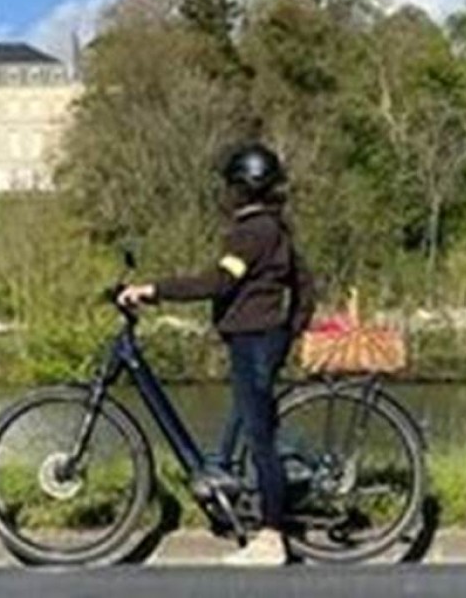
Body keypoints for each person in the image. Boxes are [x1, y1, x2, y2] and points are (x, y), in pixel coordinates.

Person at [117, 142, 317, 567]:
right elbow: (306, 284)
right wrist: (291, 330)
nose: (226, 196)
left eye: (230, 188)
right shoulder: (274, 227)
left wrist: (154, 290)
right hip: (261, 337)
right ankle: (231, 487)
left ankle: (272, 537)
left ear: (242, 189)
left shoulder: (253, 233)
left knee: (260, 439)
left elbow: (218, 282)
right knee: (249, 422)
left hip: (255, 339)